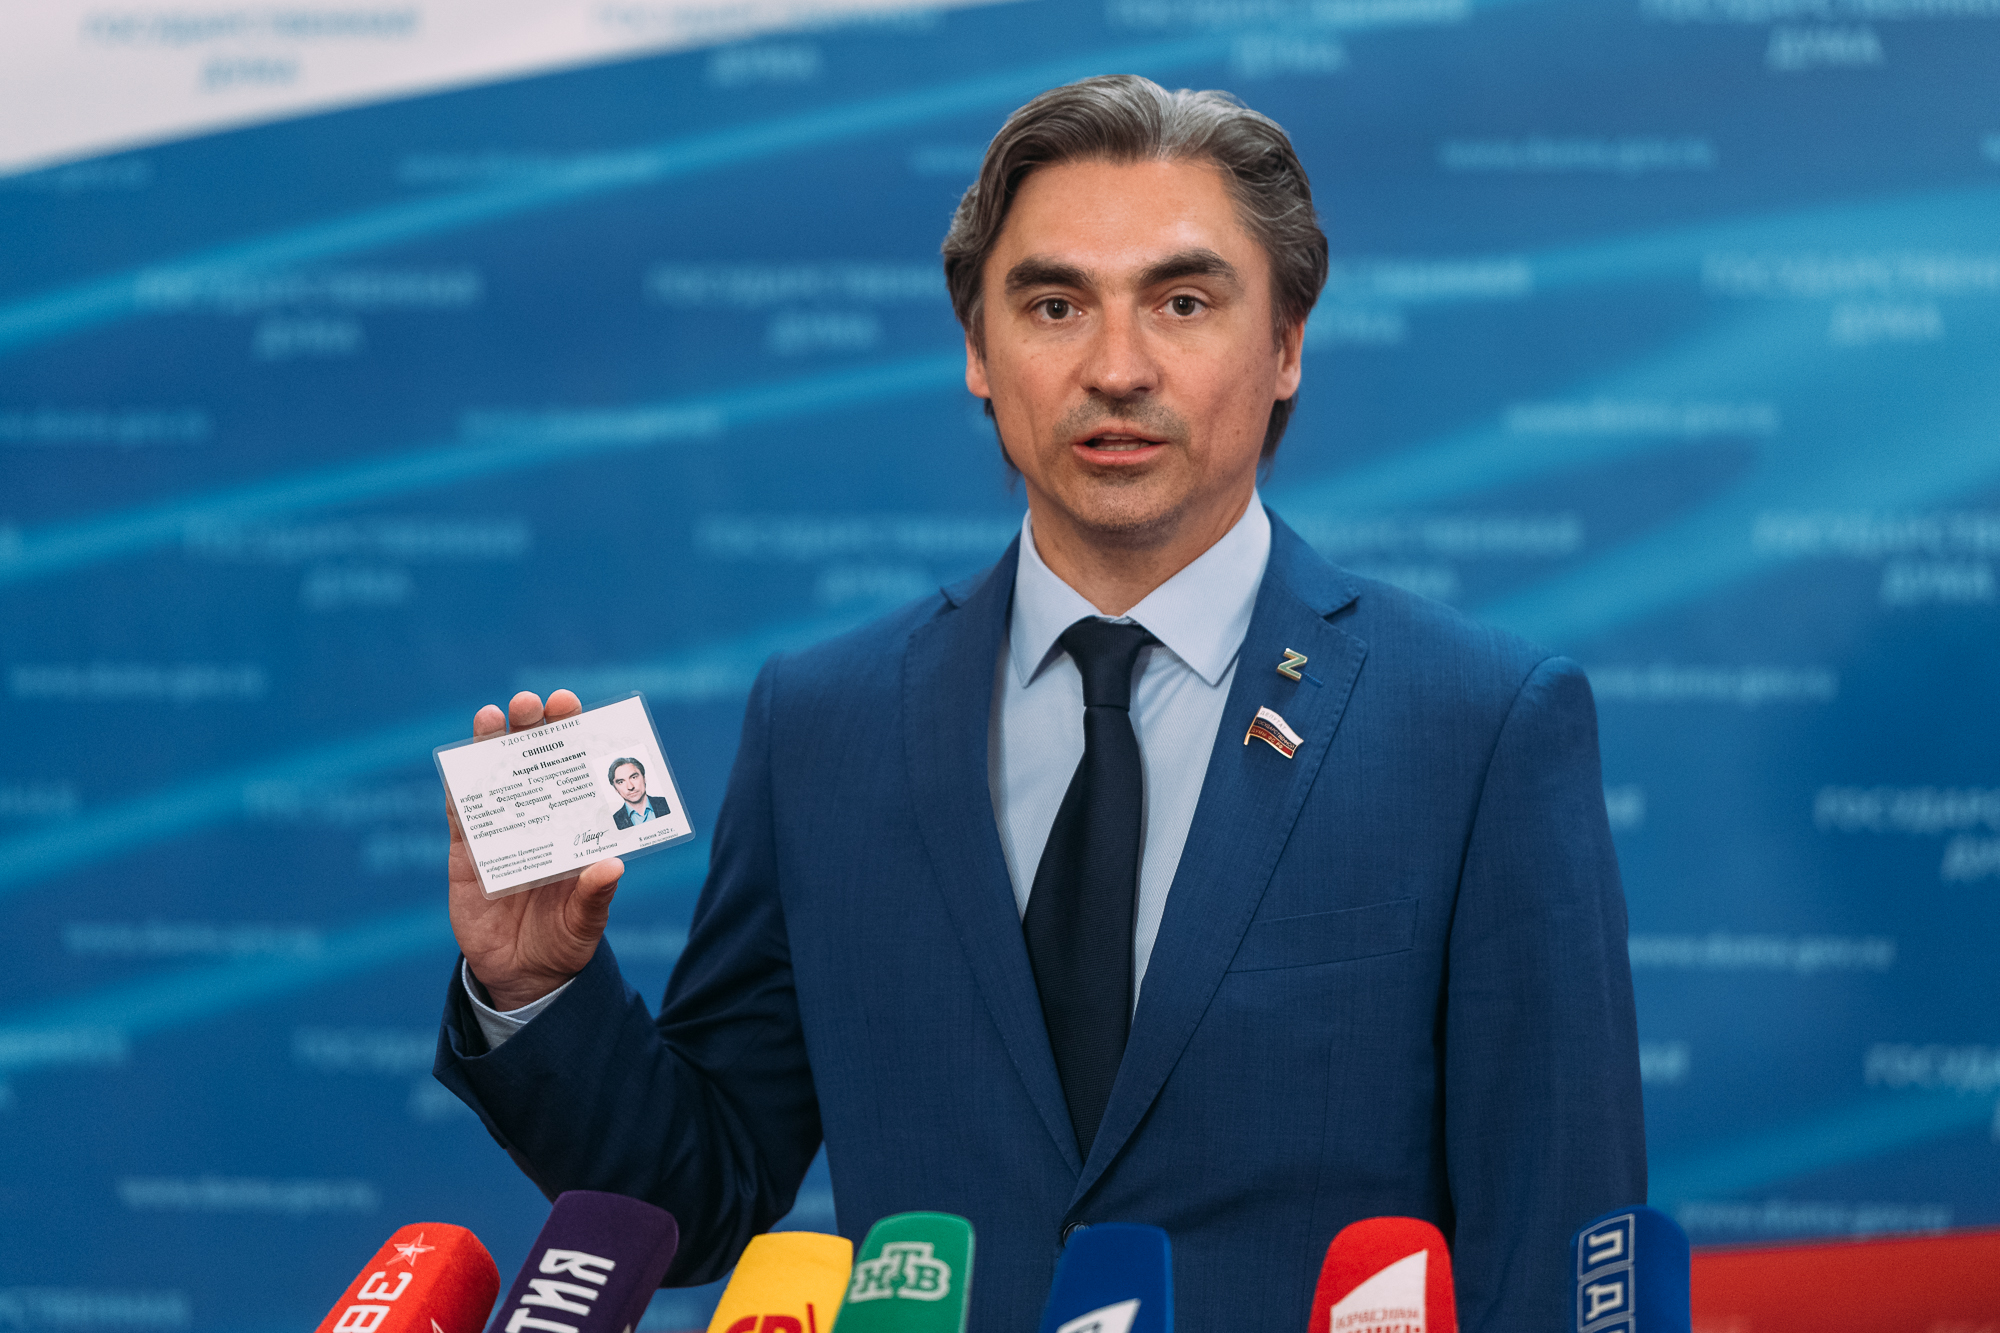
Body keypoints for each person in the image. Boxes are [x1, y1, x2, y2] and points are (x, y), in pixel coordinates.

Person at [435, 75, 1644, 1331]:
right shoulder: (824, 722)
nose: (1115, 368)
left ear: (1285, 345)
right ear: (977, 350)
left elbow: (1556, 1242)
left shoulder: (1478, 722)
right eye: (1054, 305)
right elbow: (699, 1192)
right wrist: (536, 988)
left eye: (1182, 302)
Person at [608, 757, 671, 829]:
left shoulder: (668, 803)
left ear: (644, 778)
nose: (630, 787)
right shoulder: (613, 823)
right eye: (621, 782)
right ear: (615, 788)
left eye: (634, 777)